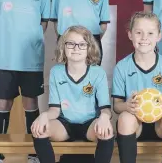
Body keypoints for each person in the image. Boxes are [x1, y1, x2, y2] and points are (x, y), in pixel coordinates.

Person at [0, 0, 50, 163]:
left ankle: (34, 154)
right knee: (3, 103)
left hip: (31, 58)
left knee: (31, 103)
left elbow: (43, 23)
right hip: (5, 58)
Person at [31, 26, 114, 163]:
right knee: (39, 129)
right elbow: (54, 110)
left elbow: (105, 108)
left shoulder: (98, 72)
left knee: (107, 131)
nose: (76, 48)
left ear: (89, 48)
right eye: (71, 44)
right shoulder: (56, 72)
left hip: (90, 123)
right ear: (63, 47)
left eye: (82, 44)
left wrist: (105, 117)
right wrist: (43, 116)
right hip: (65, 124)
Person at [112, 11, 162, 163]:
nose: (144, 38)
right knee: (125, 117)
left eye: (150, 33)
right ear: (130, 34)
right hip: (135, 125)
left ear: (159, 36)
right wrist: (127, 106)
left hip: (160, 126)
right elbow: (117, 106)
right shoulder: (121, 67)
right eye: (139, 32)